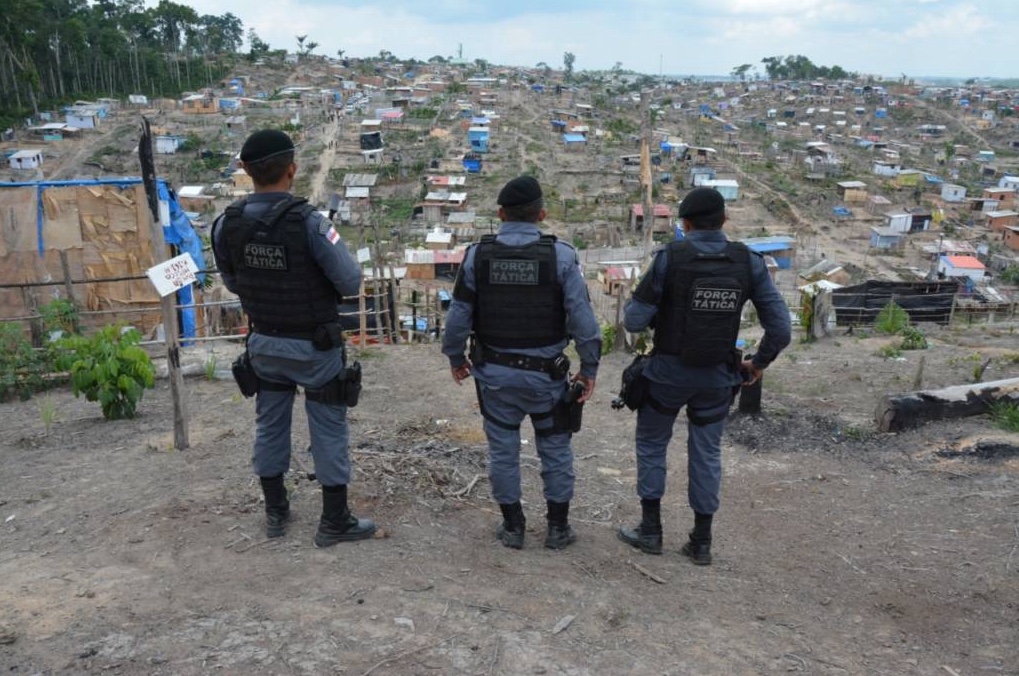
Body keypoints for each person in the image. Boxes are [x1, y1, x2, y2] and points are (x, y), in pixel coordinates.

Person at [211, 128, 375, 547]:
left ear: (246, 171)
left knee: (269, 426)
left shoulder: (225, 225)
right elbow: (350, 280)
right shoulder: (310, 223)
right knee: (329, 428)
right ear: (292, 169)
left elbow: (232, 283)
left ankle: (276, 512)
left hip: (264, 345)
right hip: (315, 348)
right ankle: (333, 521)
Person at [617, 187, 791, 565]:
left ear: (685, 223)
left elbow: (633, 320)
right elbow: (781, 329)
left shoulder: (670, 259)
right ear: (725, 220)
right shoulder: (748, 262)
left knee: (651, 445)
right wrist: (757, 364)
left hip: (666, 376)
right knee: (707, 453)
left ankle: (650, 531)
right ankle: (701, 542)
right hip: (717, 378)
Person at [442, 176, 602, 551]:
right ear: (541, 214)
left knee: (502, 450)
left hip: (494, 377)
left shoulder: (476, 255)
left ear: (500, 214)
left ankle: (513, 528)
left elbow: (458, 318)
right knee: (556, 448)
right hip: (546, 379)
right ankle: (558, 529)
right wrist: (589, 369)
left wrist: (455, 358)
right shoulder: (562, 256)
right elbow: (584, 323)